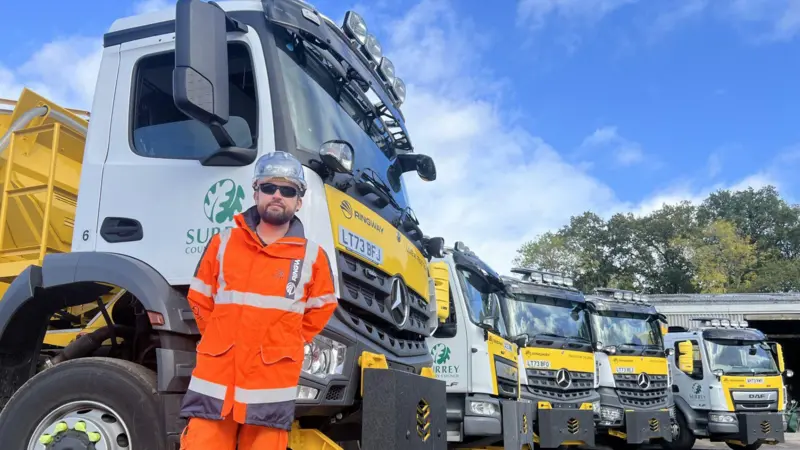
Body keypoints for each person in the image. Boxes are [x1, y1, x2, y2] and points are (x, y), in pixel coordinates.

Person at [178, 151, 338, 450]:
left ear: (298, 201)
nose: (277, 195)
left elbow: (321, 309)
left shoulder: (312, 257)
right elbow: (199, 298)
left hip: (270, 384)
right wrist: (220, 337)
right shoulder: (222, 243)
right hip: (217, 382)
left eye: (288, 190)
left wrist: (285, 341)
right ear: (256, 192)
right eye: (269, 187)